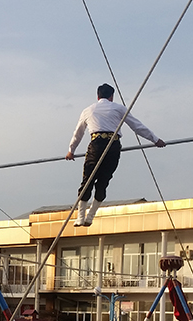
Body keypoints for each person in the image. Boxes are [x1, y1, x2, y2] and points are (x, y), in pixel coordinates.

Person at [65, 83, 165, 227]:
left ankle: (81, 218)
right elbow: (137, 126)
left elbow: (78, 133)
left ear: (97, 96)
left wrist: (71, 150)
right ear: (111, 96)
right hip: (113, 146)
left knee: (87, 180)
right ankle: (90, 217)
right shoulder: (118, 108)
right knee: (103, 181)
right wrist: (155, 139)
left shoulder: (88, 110)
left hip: (96, 145)